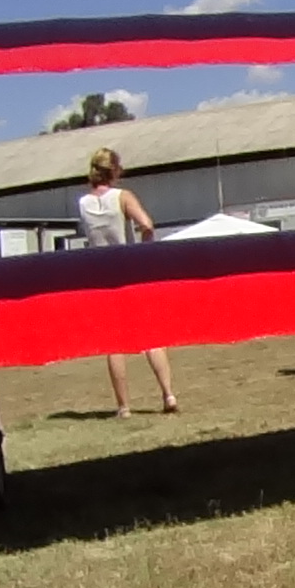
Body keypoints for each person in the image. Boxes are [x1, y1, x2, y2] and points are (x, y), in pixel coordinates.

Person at [78, 148, 177, 417]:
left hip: (102, 277)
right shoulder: (123, 197)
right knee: (151, 337)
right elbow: (147, 225)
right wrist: (145, 251)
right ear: (115, 171)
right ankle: (168, 394)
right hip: (130, 273)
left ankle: (124, 406)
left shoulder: (83, 203)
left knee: (114, 344)